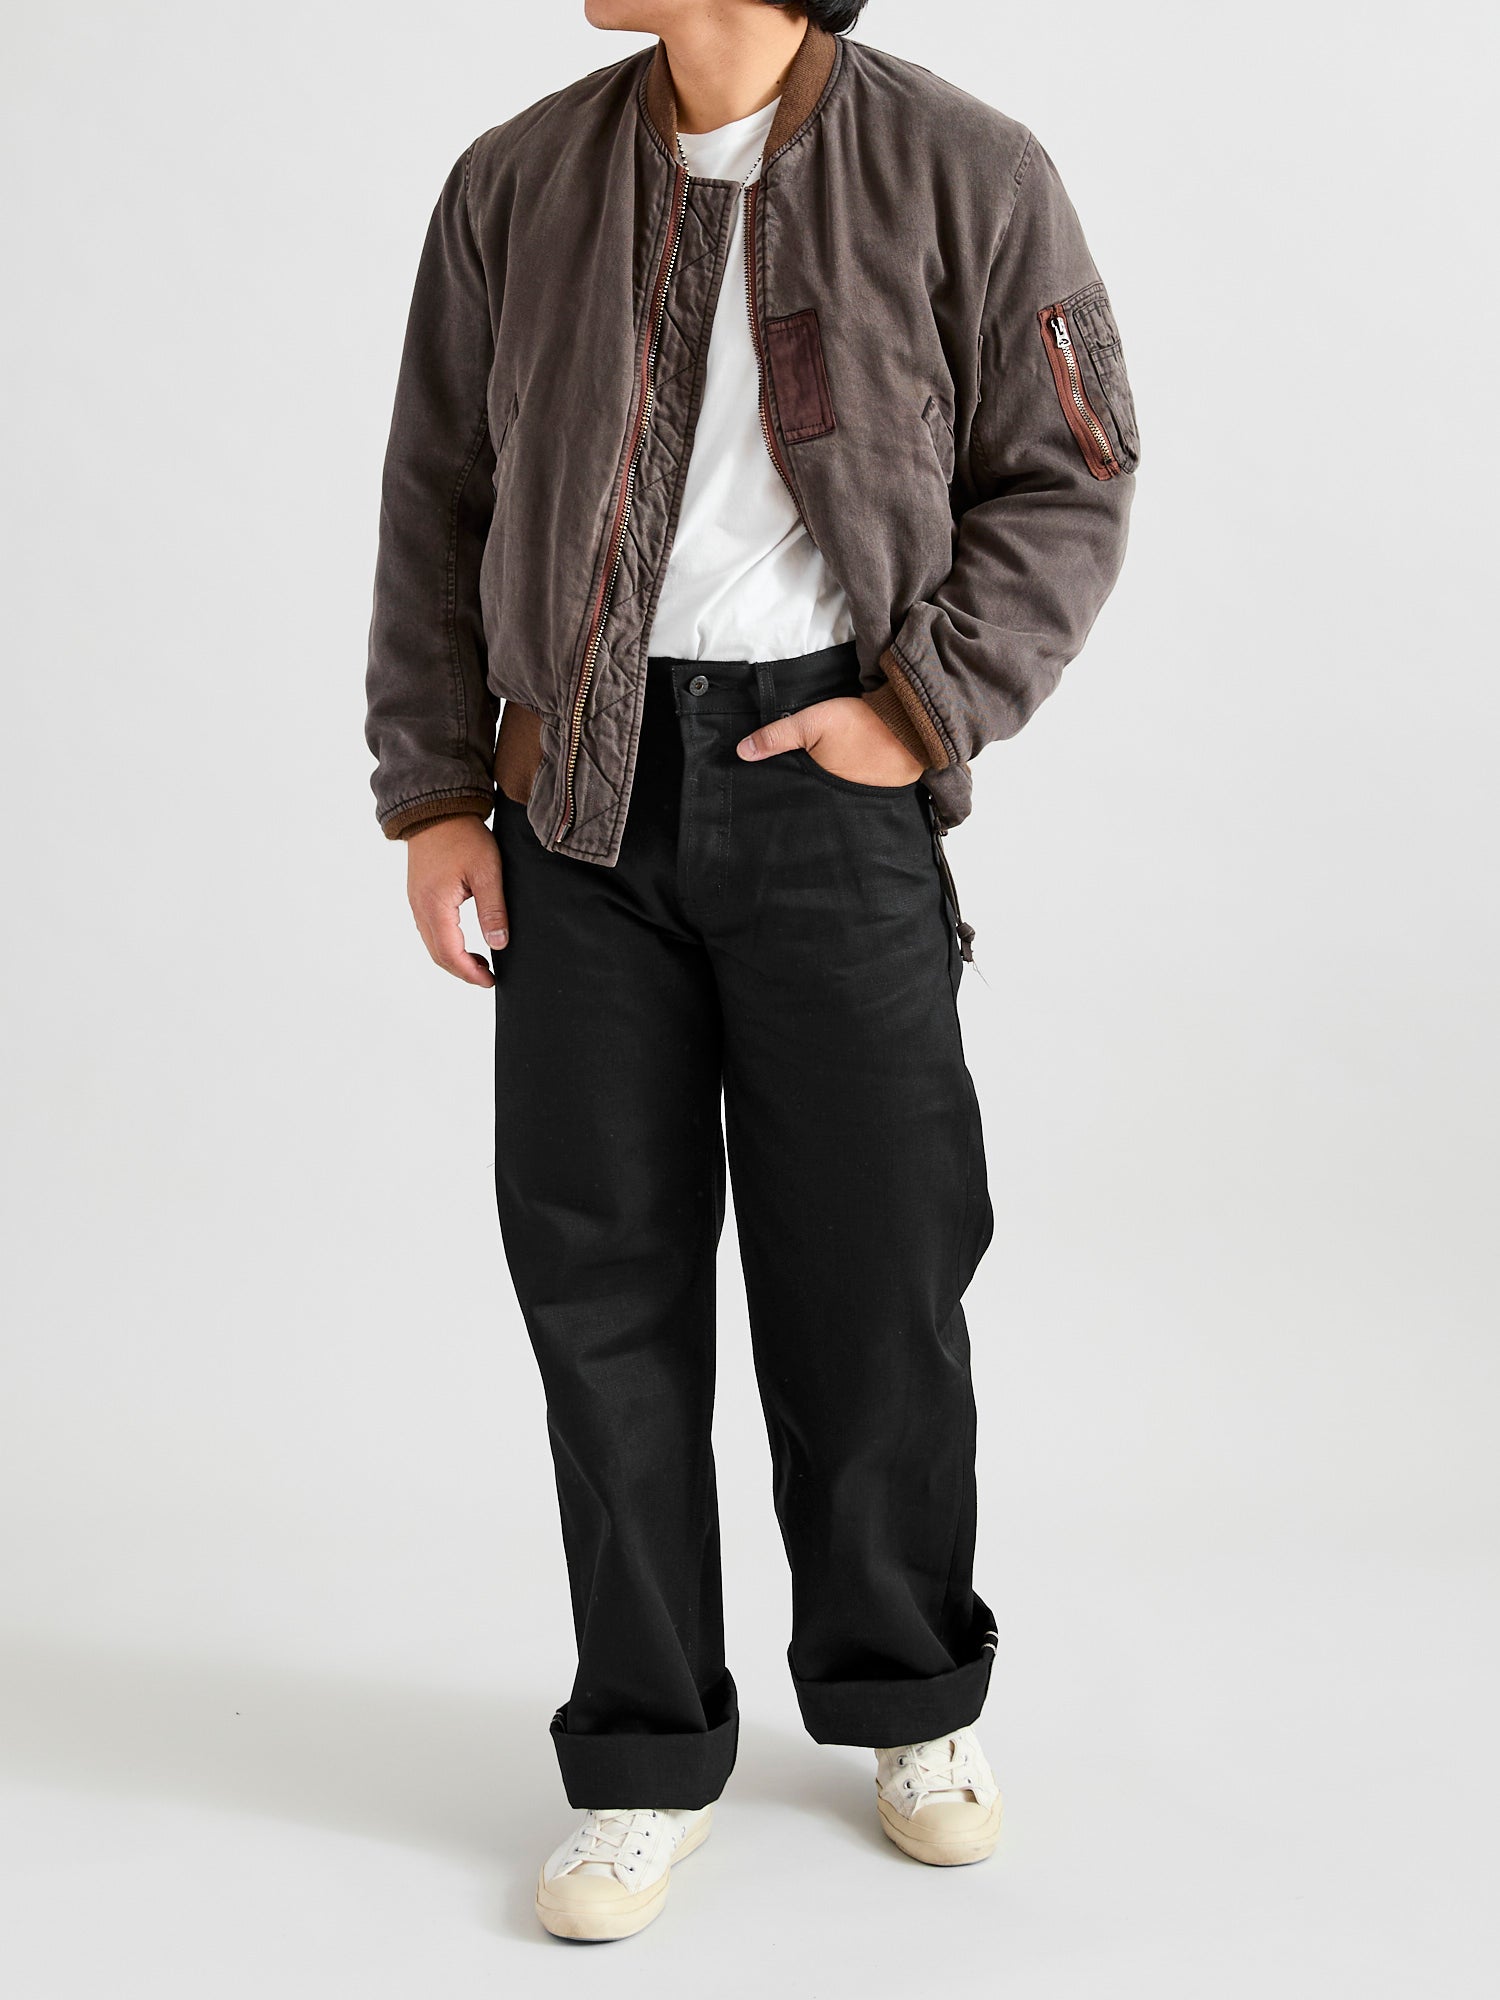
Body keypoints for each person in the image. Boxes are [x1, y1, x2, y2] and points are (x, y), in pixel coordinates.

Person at [365, 0, 1137, 1942]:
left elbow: (1072, 470)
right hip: (576, 799)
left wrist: (922, 705)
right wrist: (436, 791)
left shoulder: (966, 169)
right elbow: (436, 494)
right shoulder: (515, 182)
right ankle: (644, 1752)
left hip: (829, 780)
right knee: (600, 1282)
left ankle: (907, 1696)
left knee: (877, 1269)